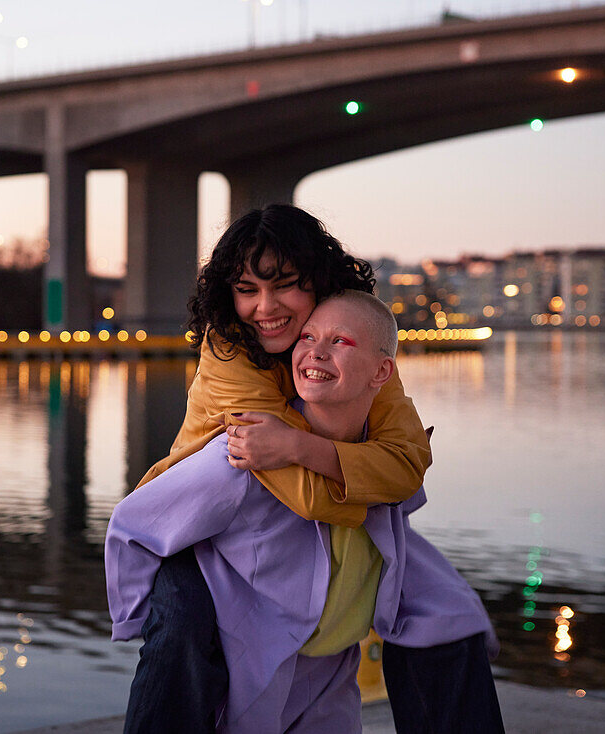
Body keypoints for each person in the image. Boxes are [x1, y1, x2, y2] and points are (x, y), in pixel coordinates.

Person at [107, 292, 503, 733]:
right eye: (308, 337)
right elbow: (135, 523)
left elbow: (404, 497)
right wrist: (147, 617)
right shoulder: (244, 453)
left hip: (329, 675)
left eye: (340, 341)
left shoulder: (382, 461)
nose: (316, 351)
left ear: (382, 372)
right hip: (248, 669)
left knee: (453, 623)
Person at [119, 205, 433, 734]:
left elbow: (408, 467)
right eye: (247, 289)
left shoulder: (356, 343)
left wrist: (295, 445)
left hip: (288, 548)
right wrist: (374, 484)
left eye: (285, 286)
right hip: (201, 536)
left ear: (320, 283)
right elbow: (311, 497)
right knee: (182, 639)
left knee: (445, 618)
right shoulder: (229, 354)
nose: (265, 308)